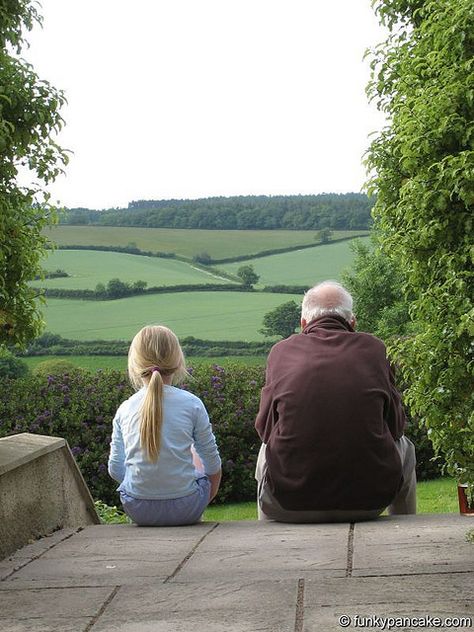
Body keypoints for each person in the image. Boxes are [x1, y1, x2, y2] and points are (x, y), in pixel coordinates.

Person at [255, 280, 416, 523]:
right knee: (406, 446)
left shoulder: (281, 352)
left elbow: (264, 430)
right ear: (352, 322)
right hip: (370, 503)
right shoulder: (376, 349)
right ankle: (406, 528)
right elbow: (396, 427)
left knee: (266, 450)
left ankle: (266, 538)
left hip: (289, 504)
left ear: (303, 323)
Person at [108, 325, 222, 526]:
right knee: (195, 450)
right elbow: (213, 465)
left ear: (134, 365)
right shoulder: (192, 404)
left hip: (138, 509)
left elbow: (116, 469)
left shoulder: (125, 409)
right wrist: (203, 499)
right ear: (178, 362)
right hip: (187, 508)